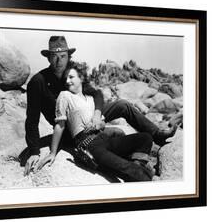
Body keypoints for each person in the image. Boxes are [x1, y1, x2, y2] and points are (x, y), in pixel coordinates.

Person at [19, 35, 177, 176]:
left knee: (122, 105)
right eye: (54, 56)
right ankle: (134, 163)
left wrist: (96, 115)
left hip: (88, 117)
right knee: (116, 135)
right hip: (70, 130)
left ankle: (157, 135)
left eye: (63, 56)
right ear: (48, 58)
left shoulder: (72, 73)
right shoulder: (37, 82)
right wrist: (34, 151)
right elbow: (31, 120)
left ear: (68, 56)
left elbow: (97, 94)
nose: (59, 61)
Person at [35, 62, 155, 181]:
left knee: (146, 138)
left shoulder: (91, 99)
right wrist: (52, 152)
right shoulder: (65, 95)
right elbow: (59, 125)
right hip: (90, 145)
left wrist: (98, 124)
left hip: (105, 138)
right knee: (132, 170)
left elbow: (102, 124)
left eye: (71, 77)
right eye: (66, 78)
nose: (67, 81)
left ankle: (138, 166)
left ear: (81, 78)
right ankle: (139, 173)